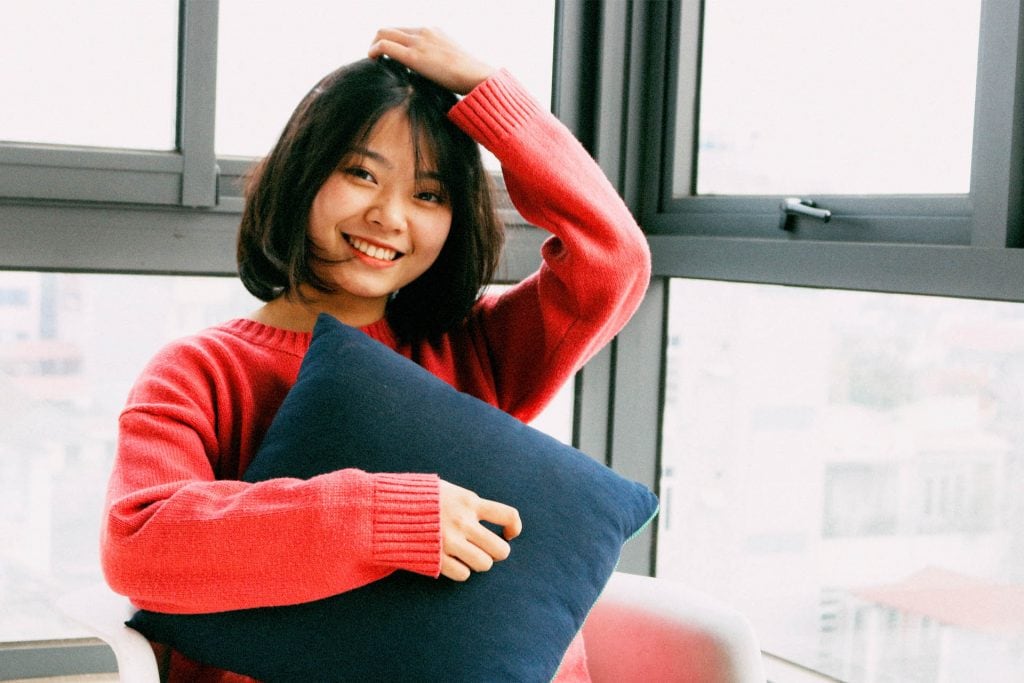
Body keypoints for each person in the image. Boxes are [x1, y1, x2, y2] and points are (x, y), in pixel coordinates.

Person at [101, 27, 651, 682]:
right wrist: (386, 517)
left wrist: (494, 102)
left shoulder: (476, 348)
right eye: (361, 173)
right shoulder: (200, 370)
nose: (389, 216)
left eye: (428, 194)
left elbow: (614, 258)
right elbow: (140, 545)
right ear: (301, 173)